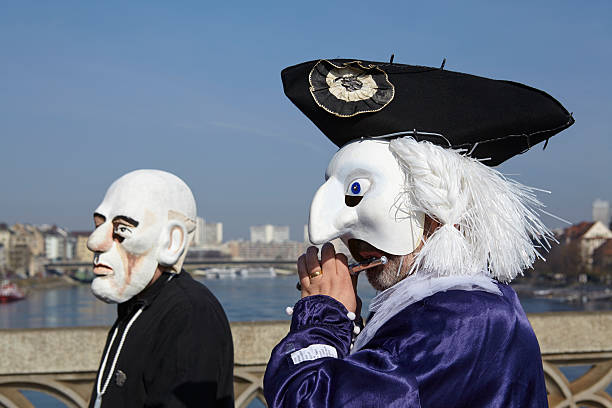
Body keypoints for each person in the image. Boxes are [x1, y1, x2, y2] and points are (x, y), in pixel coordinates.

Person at [264, 58, 574, 407]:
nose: (328, 231)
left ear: (439, 210)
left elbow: (311, 401)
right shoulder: (457, 307)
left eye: (356, 191)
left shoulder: (458, 319)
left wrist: (324, 315)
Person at [86, 169, 234, 408]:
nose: (94, 242)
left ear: (171, 242)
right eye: (98, 226)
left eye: (122, 230)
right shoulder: (136, 305)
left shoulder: (190, 313)